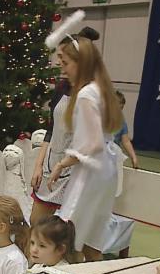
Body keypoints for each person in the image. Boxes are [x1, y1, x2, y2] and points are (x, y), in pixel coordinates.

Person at [47, 35, 124, 261]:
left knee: (68, 234)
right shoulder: (101, 89)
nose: (64, 70)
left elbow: (92, 143)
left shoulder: (86, 94)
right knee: (91, 236)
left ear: (81, 63)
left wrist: (61, 163)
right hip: (106, 170)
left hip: (92, 171)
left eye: (67, 64)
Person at [31, 27, 99, 226]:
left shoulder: (93, 94)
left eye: (64, 59)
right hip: (52, 166)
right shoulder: (61, 88)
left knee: (72, 238)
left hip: (77, 172)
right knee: (36, 225)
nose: (59, 64)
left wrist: (63, 165)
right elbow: (51, 129)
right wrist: (38, 165)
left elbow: (91, 145)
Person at [113, 91, 138, 169]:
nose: (119, 112)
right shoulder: (100, 118)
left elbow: (126, 141)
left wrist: (133, 157)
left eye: (121, 109)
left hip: (114, 155)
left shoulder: (121, 121)